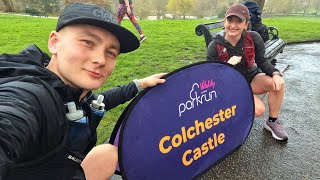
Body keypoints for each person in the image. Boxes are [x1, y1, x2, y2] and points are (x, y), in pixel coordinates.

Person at [0, 3, 165, 180]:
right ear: (54, 43)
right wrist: (86, 175)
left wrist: (139, 84)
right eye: (88, 42)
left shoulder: (74, 92)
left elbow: (98, 102)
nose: (100, 59)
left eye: (111, 52)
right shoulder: (29, 96)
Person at [206, 4, 288, 141]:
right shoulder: (215, 46)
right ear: (224, 22)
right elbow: (211, 77)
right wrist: (227, 66)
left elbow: (262, 60)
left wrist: (275, 74)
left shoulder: (253, 38)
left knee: (277, 84)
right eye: (230, 20)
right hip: (230, 85)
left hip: (251, 77)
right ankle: (229, 121)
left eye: (239, 21)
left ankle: (272, 122)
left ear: (246, 24)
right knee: (258, 109)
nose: (233, 25)